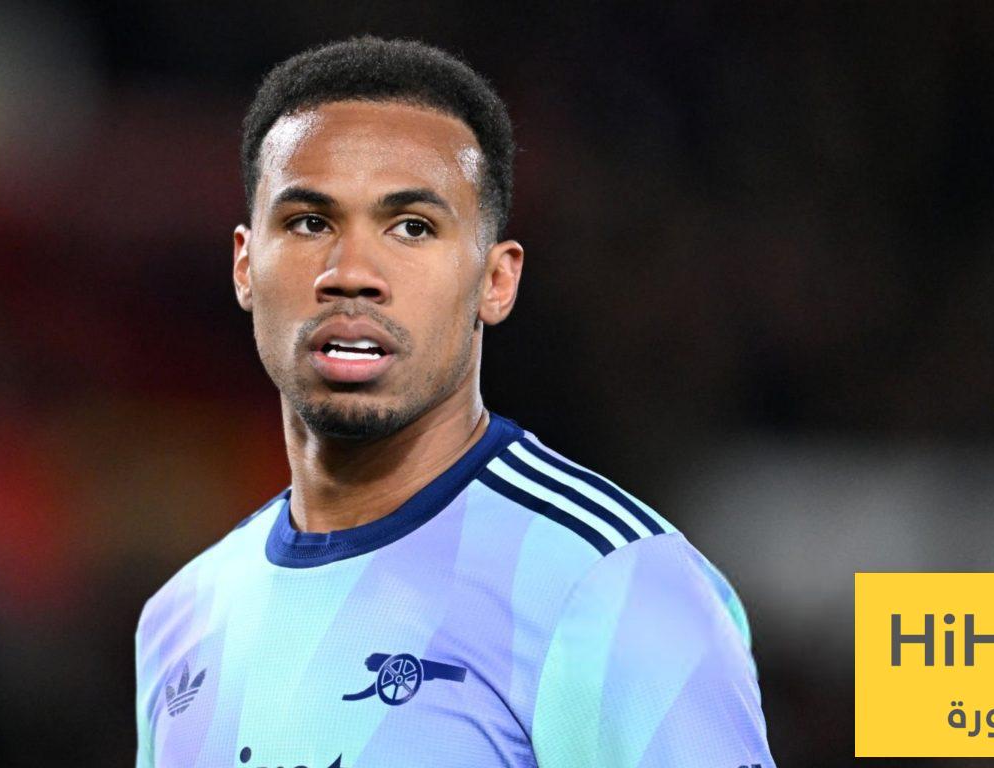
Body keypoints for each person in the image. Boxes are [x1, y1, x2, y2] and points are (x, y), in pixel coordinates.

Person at [134, 36, 775, 768]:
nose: (351, 272)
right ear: (246, 266)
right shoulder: (179, 620)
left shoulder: (613, 586)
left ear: (495, 283)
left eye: (412, 227)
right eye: (310, 222)